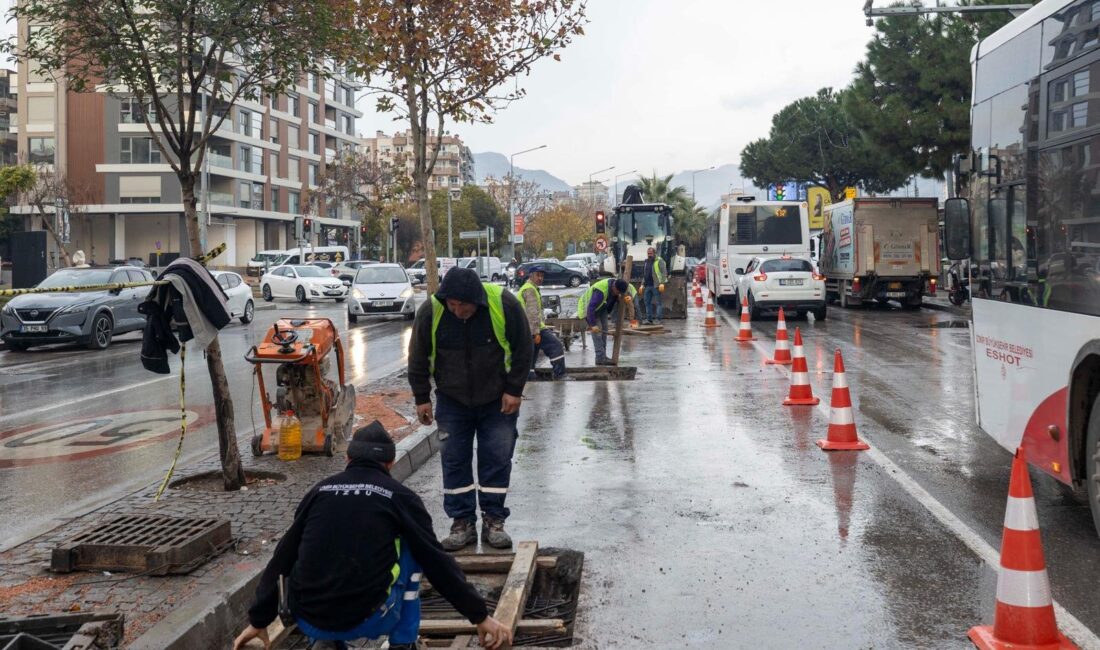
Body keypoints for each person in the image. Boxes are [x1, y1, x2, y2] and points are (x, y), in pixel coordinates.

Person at [232, 422, 512, 650]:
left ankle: (325, 641)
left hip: (309, 619)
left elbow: (281, 559)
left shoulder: (318, 491)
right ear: (390, 463)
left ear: (347, 459)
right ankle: (403, 642)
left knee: (320, 538)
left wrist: (258, 621)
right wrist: (479, 615)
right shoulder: (400, 497)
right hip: (369, 619)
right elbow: (437, 562)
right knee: (414, 547)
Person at [408, 267, 532, 551]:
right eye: (451, 305)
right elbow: (418, 356)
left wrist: (514, 390)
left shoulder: (503, 304)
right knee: (453, 459)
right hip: (452, 400)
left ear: (476, 300)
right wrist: (421, 397)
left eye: (462, 306)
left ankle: (494, 519)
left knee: (497, 457)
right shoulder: (432, 311)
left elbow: (523, 348)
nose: (456, 311)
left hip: (498, 400)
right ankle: (461, 521)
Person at [516, 265, 568, 380]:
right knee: (555, 346)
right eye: (538, 275)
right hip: (533, 328)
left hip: (526, 328)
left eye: (542, 276)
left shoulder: (529, 288)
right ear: (531, 276)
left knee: (532, 354)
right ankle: (560, 375)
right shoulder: (530, 289)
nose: (540, 278)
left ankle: (529, 377)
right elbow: (532, 313)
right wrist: (536, 333)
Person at [575, 277, 636, 366]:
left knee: (604, 331)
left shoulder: (617, 287)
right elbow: (590, 308)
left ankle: (603, 356)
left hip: (602, 308)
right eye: (618, 292)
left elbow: (623, 302)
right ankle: (600, 358)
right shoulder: (600, 291)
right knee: (597, 334)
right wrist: (592, 324)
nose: (618, 294)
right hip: (589, 309)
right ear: (614, 287)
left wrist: (620, 298)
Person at [641, 247, 667, 325]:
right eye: (648, 253)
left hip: (656, 285)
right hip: (647, 285)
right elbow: (645, 274)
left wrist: (662, 283)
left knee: (658, 303)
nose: (649, 254)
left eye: (651, 253)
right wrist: (642, 284)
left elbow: (664, 272)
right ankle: (649, 319)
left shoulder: (659, 261)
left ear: (654, 253)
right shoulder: (646, 262)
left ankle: (658, 319)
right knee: (647, 302)